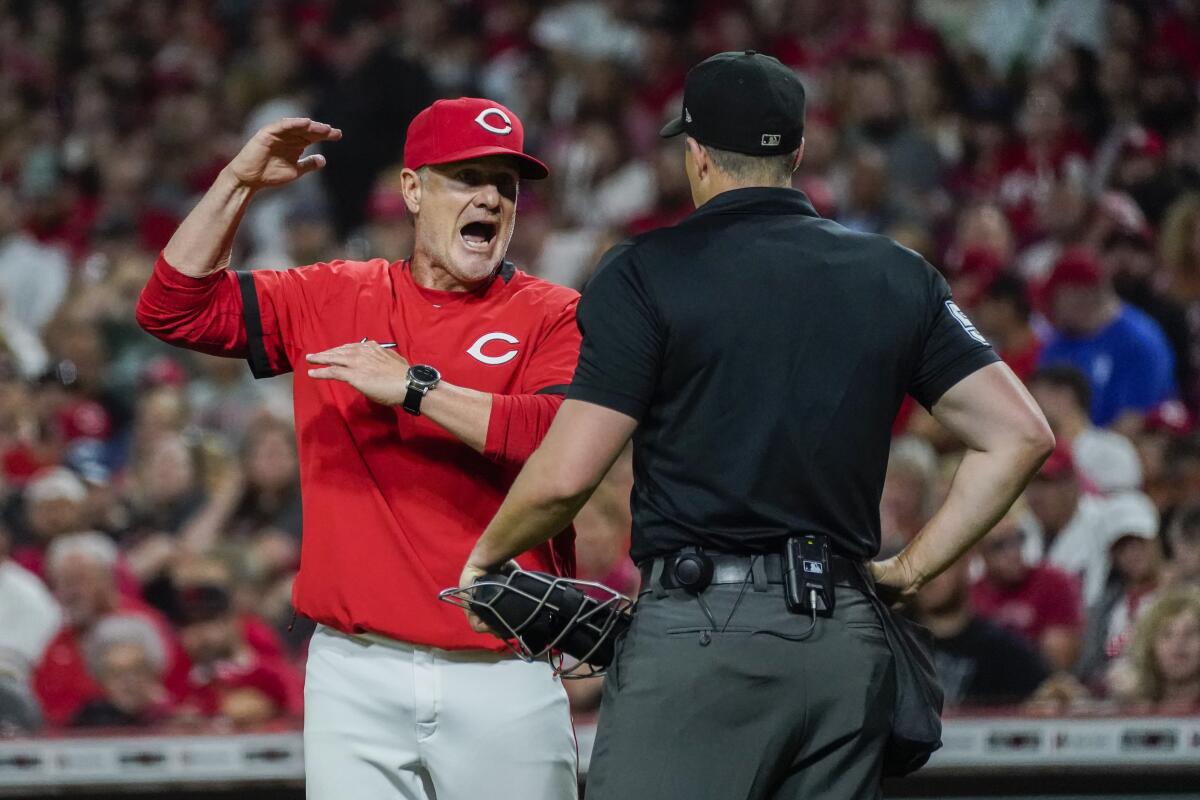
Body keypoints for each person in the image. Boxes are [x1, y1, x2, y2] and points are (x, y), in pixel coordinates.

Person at [459, 51, 1054, 799]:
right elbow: (1020, 434)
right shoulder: (895, 272)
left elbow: (568, 475)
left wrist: (485, 559)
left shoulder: (647, 271)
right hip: (843, 639)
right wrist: (907, 571)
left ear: (696, 155)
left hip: (704, 636)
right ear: (798, 153)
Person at [136, 99, 581, 799]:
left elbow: (554, 437)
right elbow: (171, 307)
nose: (491, 197)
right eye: (467, 176)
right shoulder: (333, 295)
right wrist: (237, 182)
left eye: (506, 183)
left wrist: (411, 387)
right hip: (354, 669)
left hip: (502, 668)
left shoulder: (553, 312)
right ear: (413, 190)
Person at [1038, 247, 1176, 434]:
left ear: (1082, 294)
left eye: (1056, 297)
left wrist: (1087, 452)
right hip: (1063, 449)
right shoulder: (1058, 341)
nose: (1051, 306)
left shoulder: (1139, 341)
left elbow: (1135, 420)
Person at [916, 556, 1051, 708]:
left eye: (939, 567)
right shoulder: (892, 643)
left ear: (966, 567)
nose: (927, 577)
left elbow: (1047, 697)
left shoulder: (1004, 652)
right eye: (917, 566)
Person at [971, 507, 1084, 672]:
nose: (1013, 552)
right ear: (980, 553)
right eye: (999, 546)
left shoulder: (1053, 582)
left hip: (1040, 686)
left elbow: (1060, 658)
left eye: (1018, 539)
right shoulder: (971, 595)